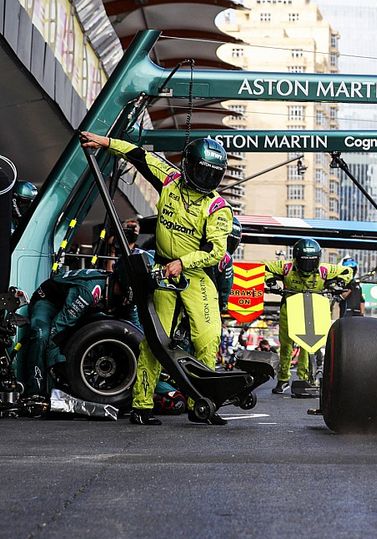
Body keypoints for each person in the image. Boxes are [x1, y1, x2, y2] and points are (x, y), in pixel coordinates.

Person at [81, 132, 234, 426]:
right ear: (189, 165)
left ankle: (201, 403)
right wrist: (106, 143)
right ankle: (141, 406)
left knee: (208, 336)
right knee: (155, 340)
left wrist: (184, 262)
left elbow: (217, 251)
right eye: (200, 171)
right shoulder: (169, 179)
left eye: (211, 175)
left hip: (196, 274)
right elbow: (139, 155)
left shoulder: (218, 207)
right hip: (162, 272)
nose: (204, 178)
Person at [22, 255, 144, 397]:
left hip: (77, 308)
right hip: (50, 301)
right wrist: (57, 365)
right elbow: (59, 328)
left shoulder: (127, 296)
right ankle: (35, 392)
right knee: (42, 334)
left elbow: (136, 333)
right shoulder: (90, 290)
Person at [264, 238, 353, 394]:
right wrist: (271, 282)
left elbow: (347, 271)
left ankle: (305, 377)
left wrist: (339, 283)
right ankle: (283, 379)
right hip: (289, 308)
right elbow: (263, 267)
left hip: (313, 309)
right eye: (304, 262)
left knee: (308, 345)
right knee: (286, 346)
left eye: (311, 262)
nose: (307, 267)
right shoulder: (286, 267)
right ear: (296, 259)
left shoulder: (325, 270)